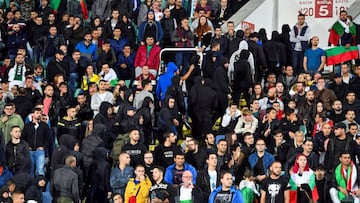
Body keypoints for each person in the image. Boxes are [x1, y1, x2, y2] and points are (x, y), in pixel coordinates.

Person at [22, 108, 50, 177]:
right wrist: (26, 147)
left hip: (40, 151)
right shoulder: (27, 126)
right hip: (29, 151)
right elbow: (23, 138)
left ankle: (40, 186)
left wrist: (43, 147)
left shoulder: (45, 126)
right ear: (33, 114)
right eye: (37, 113)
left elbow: (48, 139)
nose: (39, 115)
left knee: (40, 170)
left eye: (40, 113)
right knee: (30, 170)